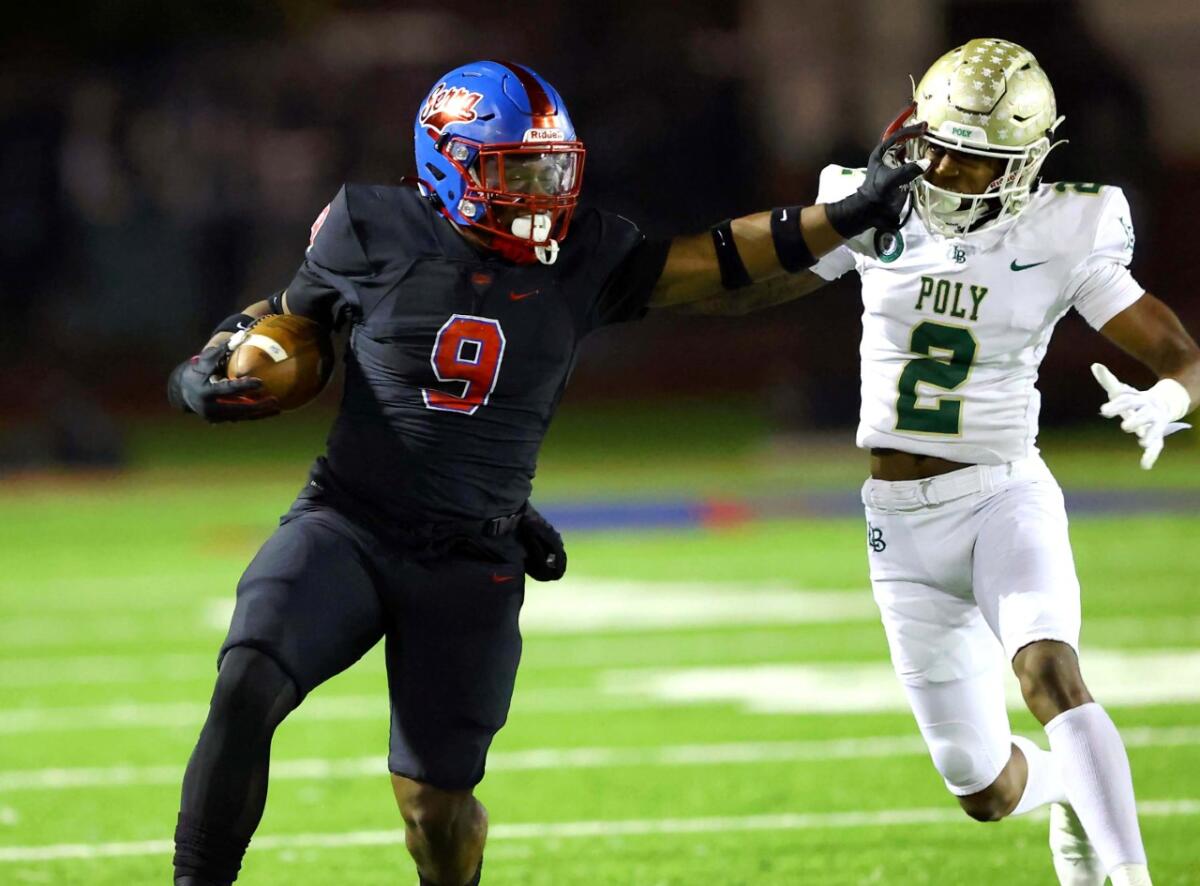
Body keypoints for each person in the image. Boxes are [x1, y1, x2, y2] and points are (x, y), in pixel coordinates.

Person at [166, 59, 926, 886]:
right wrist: (202, 367)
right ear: (446, 163)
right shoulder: (368, 227)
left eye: (552, 169)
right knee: (246, 683)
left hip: (472, 557)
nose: (541, 192)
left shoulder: (585, 256)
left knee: (435, 810)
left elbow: (717, 261)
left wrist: (845, 215)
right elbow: (288, 317)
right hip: (347, 524)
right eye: (518, 170)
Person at [706, 37, 1195, 886]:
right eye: (943, 150)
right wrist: (838, 219)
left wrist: (1173, 398)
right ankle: (1068, 791)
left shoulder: (1064, 228)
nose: (952, 173)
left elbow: (1178, 349)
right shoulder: (878, 205)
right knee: (983, 788)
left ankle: (1129, 875)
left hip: (1004, 496)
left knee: (1050, 671)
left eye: (979, 161)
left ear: (1026, 162)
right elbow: (769, 277)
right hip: (898, 528)